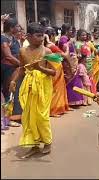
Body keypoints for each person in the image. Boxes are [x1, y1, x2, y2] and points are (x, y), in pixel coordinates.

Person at [9, 22, 56, 158]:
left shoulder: (47, 51)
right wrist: (13, 81)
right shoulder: (22, 51)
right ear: (28, 36)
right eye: (38, 35)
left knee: (42, 116)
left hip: (43, 85)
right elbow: (22, 69)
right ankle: (34, 144)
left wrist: (40, 69)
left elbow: (54, 72)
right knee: (29, 116)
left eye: (42, 35)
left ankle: (47, 142)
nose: (41, 38)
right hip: (28, 85)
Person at [44, 27, 70, 117]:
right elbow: (64, 56)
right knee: (56, 90)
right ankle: (54, 110)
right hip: (55, 70)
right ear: (51, 36)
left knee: (57, 89)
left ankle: (60, 108)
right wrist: (67, 49)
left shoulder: (47, 46)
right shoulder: (51, 46)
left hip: (53, 69)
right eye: (54, 35)